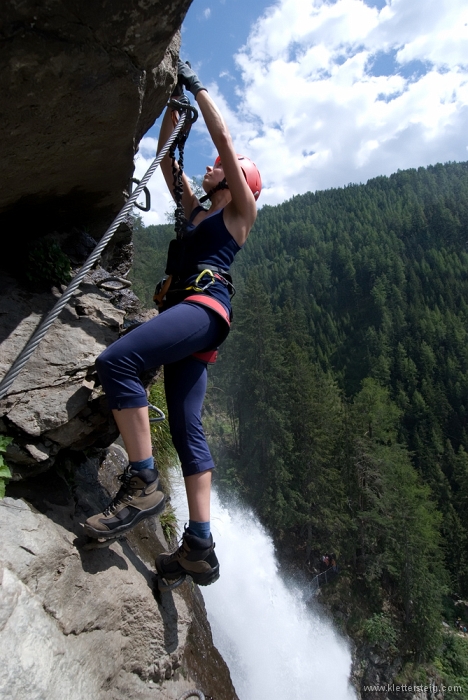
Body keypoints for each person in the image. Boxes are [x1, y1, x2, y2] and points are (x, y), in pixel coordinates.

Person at [84, 61, 261, 587]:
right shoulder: (198, 211)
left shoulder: (239, 215)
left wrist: (198, 89)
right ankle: (200, 545)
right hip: (192, 321)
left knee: (119, 361)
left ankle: (142, 482)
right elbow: (166, 163)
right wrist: (172, 112)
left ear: (233, 182)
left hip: (201, 312)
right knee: (187, 426)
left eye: (216, 167)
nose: (209, 168)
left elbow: (224, 137)